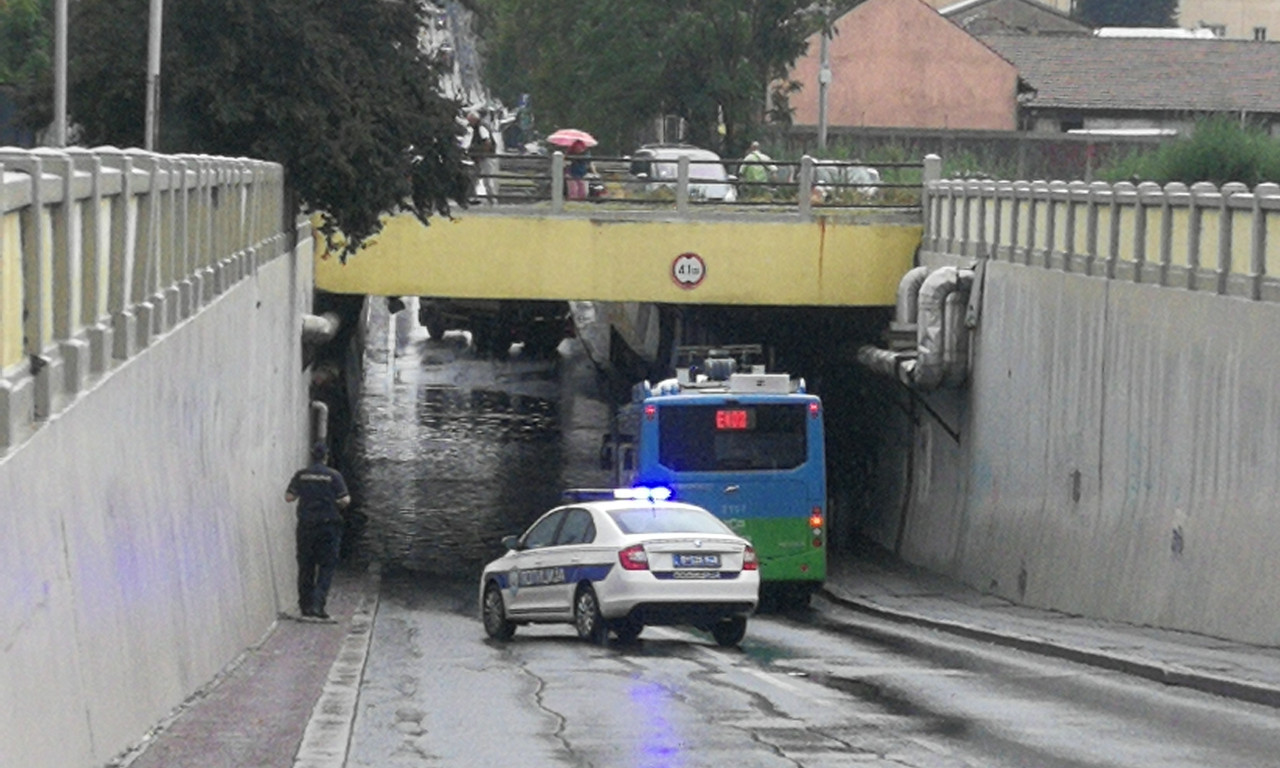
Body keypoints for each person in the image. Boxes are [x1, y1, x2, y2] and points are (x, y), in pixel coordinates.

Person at [285, 441, 351, 620]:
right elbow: (345, 500)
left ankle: (305, 606)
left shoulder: (301, 475)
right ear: (326, 456)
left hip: (306, 526)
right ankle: (318, 606)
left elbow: (289, 497)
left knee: (306, 566)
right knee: (326, 566)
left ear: (311, 455)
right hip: (329, 526)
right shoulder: (334, 475)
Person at [465, 110, 498, 202]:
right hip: (481, 157)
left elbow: (488, 143)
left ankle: (492, 201)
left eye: (470, 121)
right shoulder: (478, 128)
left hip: (485, 158)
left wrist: (481, 154)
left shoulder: (481, 128)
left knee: (487, 179)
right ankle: (475, 198)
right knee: (475, 178)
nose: (469, 123)